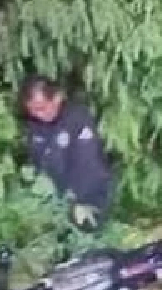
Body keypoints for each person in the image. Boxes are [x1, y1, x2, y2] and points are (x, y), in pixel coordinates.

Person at [20, 76, 115, 230]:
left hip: (88, 197)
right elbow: (38, 164)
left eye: (41, 108)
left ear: (57, 98)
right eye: (32, 111)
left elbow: (89, 165)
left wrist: (76, 202)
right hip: (53, 200)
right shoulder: (35, 126)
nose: (38, 114)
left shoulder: (77, 119)